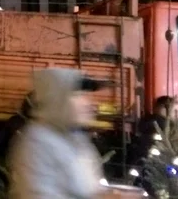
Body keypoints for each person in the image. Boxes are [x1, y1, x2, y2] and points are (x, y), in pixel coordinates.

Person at [7, 68, 110, 199]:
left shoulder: (78, 140)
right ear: (58, 100)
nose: (89, 104)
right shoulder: (37, 143)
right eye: (78, 95)